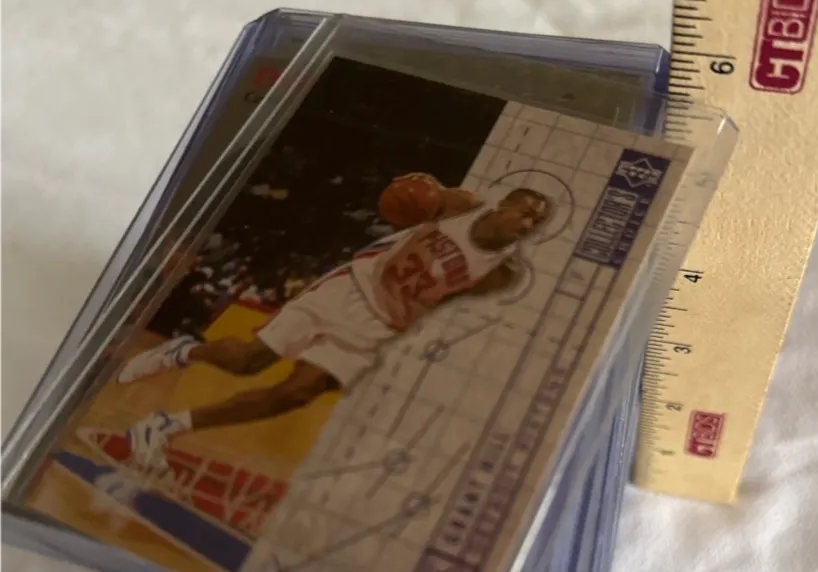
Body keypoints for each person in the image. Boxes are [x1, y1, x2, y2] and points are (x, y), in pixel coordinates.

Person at [113, 177, 551, 476]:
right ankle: (181, 351)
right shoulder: (460, 205)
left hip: (382, 324)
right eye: (526, 213)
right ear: (504, 204)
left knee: (295, 394)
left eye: (536, 222)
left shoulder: (501, 274)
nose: (528, 225)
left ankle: (164, 427)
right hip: (351, 287)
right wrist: (408, 197)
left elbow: (443, 305)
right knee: (250, 361)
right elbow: (401, 199)